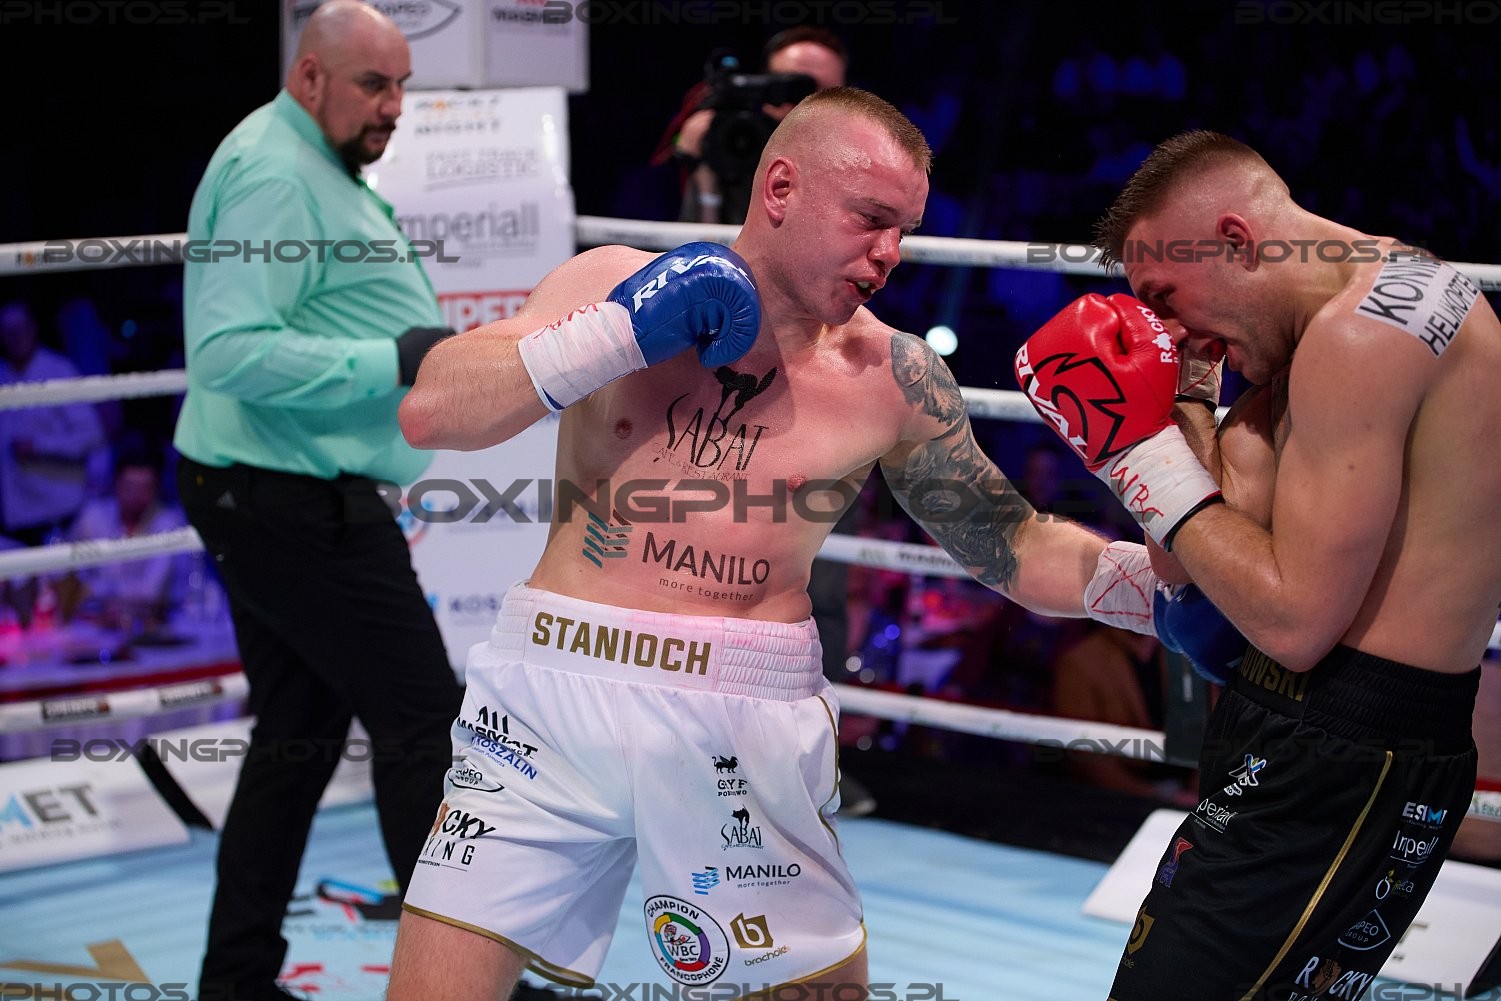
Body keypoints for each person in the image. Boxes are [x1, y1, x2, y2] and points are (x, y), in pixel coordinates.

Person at [386, 87, 1141, 999]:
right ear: (779, 186)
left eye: (902, 229)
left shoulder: (892, 375)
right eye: (870, 219)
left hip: (743, 712)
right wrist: (620, 332)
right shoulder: (608, 284)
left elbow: (1009, 542)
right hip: (547, 694)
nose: (888, 256)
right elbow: (434, 410)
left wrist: (1175, 587)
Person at [1015, 129, 1493, 1001]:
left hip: (1333, 753)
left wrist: (1136, 453)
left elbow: (1291, 621)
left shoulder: (1354, 342)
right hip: (1369, 747)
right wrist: (1186, 395)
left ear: (1235, 239)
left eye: (1163, 293)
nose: (1163, 324)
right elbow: (1188, 565)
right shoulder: (1379, 298)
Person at [171, 4, 464, 999]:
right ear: (309, 80)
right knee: (425, 721)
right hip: (286, 496)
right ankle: (455, 983)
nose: (394, 109)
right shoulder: (274, 173)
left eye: (402, 88)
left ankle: (237, 978)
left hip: (277, 486)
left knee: (294, 742)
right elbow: (225, 349)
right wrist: (391, 355)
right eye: (374, 86)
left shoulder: (311, 159)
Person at [657, 27, 848, 224]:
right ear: (766, 83)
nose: (804, 103)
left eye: (823, 92)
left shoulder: (859, 163)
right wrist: (691, 167)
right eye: (792, 87)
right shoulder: (727, 144)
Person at [0, 300, 107, 549]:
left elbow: (92, 434)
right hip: (14, 515)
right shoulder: (2, 375)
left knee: (66, 584)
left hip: (61, 511)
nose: (15, 338)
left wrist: (39, 445)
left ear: (33, 329)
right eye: (7, 332)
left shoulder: (59, 370)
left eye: (20, 329)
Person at [61, 441, 189, 633]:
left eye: (145, 489)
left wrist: (92, 590)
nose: (136, 497)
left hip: (158, 631)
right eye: (129, 487)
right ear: (115, 484)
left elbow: (150, 593)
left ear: (156, 489)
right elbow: (65, 577)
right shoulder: (93, 516)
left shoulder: (169, 522)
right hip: (94, 627)